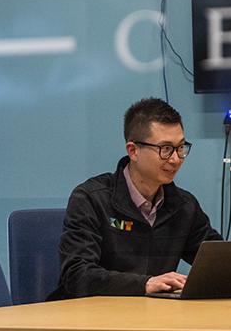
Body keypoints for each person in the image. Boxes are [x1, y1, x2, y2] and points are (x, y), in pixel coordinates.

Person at [49, 98, 221, 299]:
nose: (175, 159)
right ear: (133, 151)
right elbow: (77, 275)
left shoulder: (184, 206)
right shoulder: (91, 198)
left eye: (180, 148)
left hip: (151, 318)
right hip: (89, 317)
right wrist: (145, 284)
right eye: (165, 149)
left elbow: (218, 262)